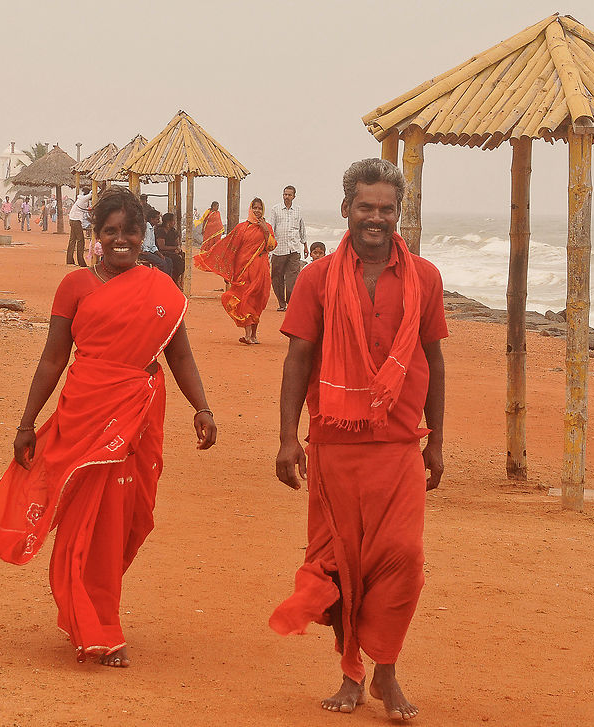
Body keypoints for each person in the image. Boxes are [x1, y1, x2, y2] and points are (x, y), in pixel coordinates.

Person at [0, 187, 217, 667]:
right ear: (96, 235)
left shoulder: (162, 291)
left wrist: (203, 407)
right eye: (110, 231)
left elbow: (181, 356)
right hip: (85, 415)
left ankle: (95, 611)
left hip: (138, 420)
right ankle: (98, 626)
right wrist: (26, 422)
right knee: (88, 521)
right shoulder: (75, 286)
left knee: (127, 519)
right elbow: (53, 359)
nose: (121, 240)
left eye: (130, 231)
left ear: (142, 233)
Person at [270, 159, 447, 721]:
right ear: (346, 208)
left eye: (386, 209)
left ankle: (386, 673)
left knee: (404, 559)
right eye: (365, 207)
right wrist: (286, 438)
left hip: (398, 445)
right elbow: (298, 357)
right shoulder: (316, 279)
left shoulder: (425, 277)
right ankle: (351, 675)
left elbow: (434, 360)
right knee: (341, 565)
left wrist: (436, 442)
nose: (376, 218)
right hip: (333, 445)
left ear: (399, 213)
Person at [194, 198, 276, 345]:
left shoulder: (267, 227)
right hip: (243, 269)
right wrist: (228, 272)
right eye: (254, 208)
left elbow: (271, 246)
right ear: (250, 209)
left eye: (259, 208)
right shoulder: (241, 228)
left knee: (258, 300)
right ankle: (248, 334)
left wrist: (264, 230)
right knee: (244, 299)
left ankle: (254, 335)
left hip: (261, 268)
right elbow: (230, 248)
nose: (257, 210)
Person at [268, 185, 308, 312]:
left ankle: (290, 302)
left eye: (289, 195)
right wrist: (268, 246)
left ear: (294, 196)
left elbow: (302, 228)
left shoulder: (298, 210)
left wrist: (305, 245)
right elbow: (271, 229)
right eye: (285, 194)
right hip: (279, 249)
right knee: (277, 277)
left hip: (294, 249)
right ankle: (281, 303)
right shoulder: (275, 209)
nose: (287, 197)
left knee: (293, 278)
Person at [139, 209, 173, 277]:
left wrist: (158, 253)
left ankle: (169, 280)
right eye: (157, 219)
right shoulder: (145, 228)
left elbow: (153, 245)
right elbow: (142, 243)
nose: (159, 221)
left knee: (169, 261)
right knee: (162, 263)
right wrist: (143, 251)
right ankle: (162, 282)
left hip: (150, 251)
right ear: (152, 219)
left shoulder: (152, 228)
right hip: (144, 253)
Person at [155, 213, 184, 286]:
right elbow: (162, 246)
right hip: (162, 252)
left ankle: (176, 278)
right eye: (173, 221)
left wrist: (178, 249)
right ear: (168, 222)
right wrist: (175, 248)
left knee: (183, 256)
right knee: (176, 259)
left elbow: (177, 243)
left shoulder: (173, 231)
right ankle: (172, 280)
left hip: (172, 251)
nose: (174, 222)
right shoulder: (160, 231)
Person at [67, 190, 91, 267]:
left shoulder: (80, 199)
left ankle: (69, 260)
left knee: (72, 240)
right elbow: (92, 194)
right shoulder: (83, 199)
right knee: (81, 240)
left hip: (72, 219)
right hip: (76, 221)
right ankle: (81, 262)